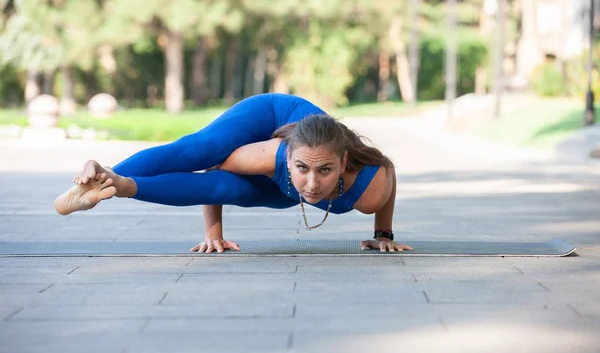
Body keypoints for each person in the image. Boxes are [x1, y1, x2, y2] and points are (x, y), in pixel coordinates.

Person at [54, 93, 414, 254]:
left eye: (325, 171)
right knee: (203, 151)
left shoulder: (368, 188)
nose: (312, 183)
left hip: (309, 147)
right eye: (302, 169)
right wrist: (214, 234)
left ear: (343, 162)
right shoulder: (269, 155)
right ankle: (108, 179)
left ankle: (116, 185)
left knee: (242, 193)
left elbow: (389, 171)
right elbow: (210, 171)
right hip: (268, 115)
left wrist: (383, 233)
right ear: (288, 160)